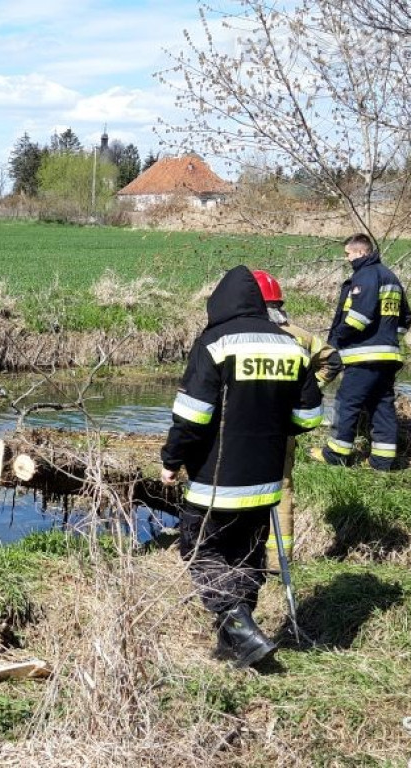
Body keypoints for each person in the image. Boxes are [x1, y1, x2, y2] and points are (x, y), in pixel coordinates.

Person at [161, 265, 323, 668]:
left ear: (220, 303)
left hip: (214, 479)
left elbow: (193, 416)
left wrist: (171, 461)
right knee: (247, 555)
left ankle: (236, 623)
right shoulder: (291, 346)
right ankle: (233, 643)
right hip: (266, 480)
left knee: (200, 549)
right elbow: (309, 418)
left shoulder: (213, 343)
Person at [251, 270, 341, 573]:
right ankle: (278, 562)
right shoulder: (298, 336)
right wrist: (307, 390)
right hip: (284, 424)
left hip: (246, 424)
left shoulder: (241, 335)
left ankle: (244, 553)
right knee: (282, 487)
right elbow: (333, 359)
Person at [315, 233, 410, 470]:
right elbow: (404, 318)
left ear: (360, 252)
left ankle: (336, 455)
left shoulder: (365, 276)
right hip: (388, 357)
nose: (346, 259)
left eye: (348, 254)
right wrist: (388, 339)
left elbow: (359, 317)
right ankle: (382, 461)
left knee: (347, 402)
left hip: (363, 356)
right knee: (381, 405)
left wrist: (336, 339)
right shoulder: (391, 277)